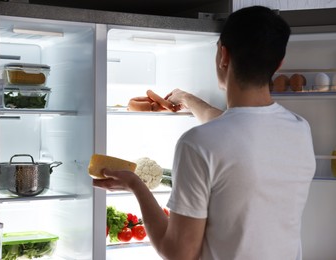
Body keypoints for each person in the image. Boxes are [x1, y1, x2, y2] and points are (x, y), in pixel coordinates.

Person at [94, 5, 316, 260]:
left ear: (224, 55)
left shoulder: (198, 143)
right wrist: (187, 99)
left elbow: (178, 253)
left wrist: (136, 185)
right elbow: (240, 130)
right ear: (278, 64)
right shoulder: (299, 129)